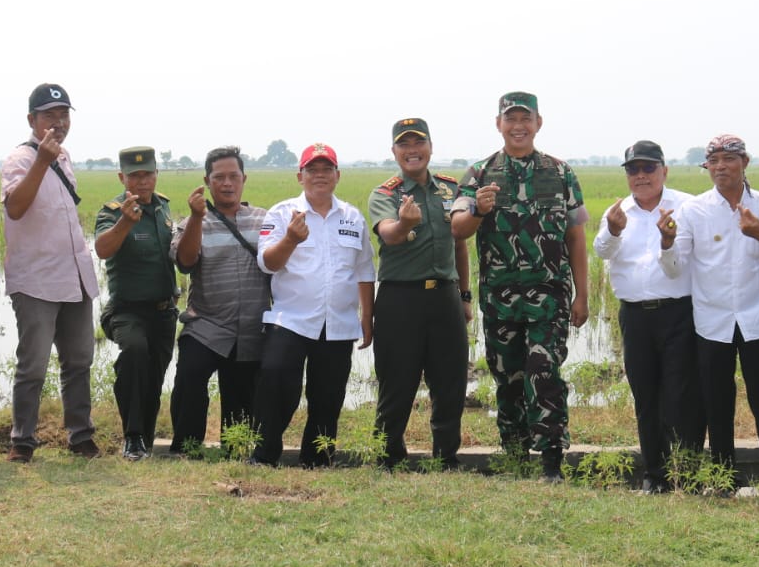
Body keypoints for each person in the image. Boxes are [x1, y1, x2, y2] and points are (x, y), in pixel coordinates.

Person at [451, 92, 589, 481]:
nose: (518, 126)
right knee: (508, 377)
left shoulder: (561, 173)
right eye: (510, 119)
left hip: (550, 296)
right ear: (498, 124)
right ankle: (514, 455)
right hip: (500, 299)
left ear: (538, 123)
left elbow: (576, 237)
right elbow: (457, 230)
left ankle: (550, 461)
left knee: (543, 371)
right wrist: (478, 208)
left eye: (524, 119)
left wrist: (583, 295)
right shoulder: (479, 173)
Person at [666, 134, 759, 487]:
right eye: (714, 160)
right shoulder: (693, 210)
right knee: (717, 406)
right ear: (706, 166)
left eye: (729, 159)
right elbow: (676, 266)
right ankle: (724, 481)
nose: (721, 166)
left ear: (745, 163)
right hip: (713, 322)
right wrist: (666, 243)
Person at [251, 143, 375, 467]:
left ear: (337, 175)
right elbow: (268, 263)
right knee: (277, 381)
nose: (319, 176)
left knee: (328, 395)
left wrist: (367, 317)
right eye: (312, 170)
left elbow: (364, 270)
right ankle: (264, 455)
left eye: (326, 169)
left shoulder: (352, 217)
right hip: (290, 319)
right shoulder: (281, 213)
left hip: (338, 323)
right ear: (300, 176)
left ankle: (317, 459)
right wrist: (291, 239)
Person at [1, 84, 102, 463]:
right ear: (32, 120)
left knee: (79, 360)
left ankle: (80, 436)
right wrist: (42, 161)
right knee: (33, 364)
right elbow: (15, 209)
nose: (58, 123)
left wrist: (52, 159)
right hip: (37, 280)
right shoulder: (19, 159)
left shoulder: (66, 157)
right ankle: (22, 441)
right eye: (49, 116)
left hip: (75, 275)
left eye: (64, 115)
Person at [593, 140, 696, 493]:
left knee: (680, 397)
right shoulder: (618, 211)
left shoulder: (686, 208)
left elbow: (675, 270)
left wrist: (667, 243)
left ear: (664, 171)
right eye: (633, 170)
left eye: (648, 168)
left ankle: (688, 472)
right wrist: (613, 229)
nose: (641, 176)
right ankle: (655, 475)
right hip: (635, 317)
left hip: (678, 313)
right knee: (646, 397)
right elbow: (600, 250)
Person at [368, 118, 471, 469]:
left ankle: (446, 457)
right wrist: (405, 223)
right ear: (394, 152)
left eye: (418, 143)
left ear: (430, 147)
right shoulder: (385, 193)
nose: (412, 150)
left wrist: (466, 296)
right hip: (401, 298)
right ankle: (389, 455)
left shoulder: (449, 189)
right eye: (404, 145)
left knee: (451, 379)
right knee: (397, 381)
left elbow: (460, 243)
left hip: (444, 296)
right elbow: (390, 234)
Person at [169, 145, 272, 456]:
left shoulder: (264, 220)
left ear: (244, 179)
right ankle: (186, 448)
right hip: (207, 326)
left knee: (240, 397)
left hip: (251, 329)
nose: (227, 183)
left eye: (233, 176)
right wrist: (198, 217)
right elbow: (185, 261)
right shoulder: (191, 222)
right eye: (219, 177)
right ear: (207, 181)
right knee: (190, 377)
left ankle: (235, 448)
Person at [95, 146, 178, 461]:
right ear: (122, 177)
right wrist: (125, 224)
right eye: (135, 176)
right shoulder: (112, 211)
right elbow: (103, 249)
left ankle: (143, 439)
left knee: (154, 376)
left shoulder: (163, 209)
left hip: (163, 312)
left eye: (148, 175)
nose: (142, 182)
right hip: (127, 310)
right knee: (134, 354)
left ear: (156, 174)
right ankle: (132, 437)